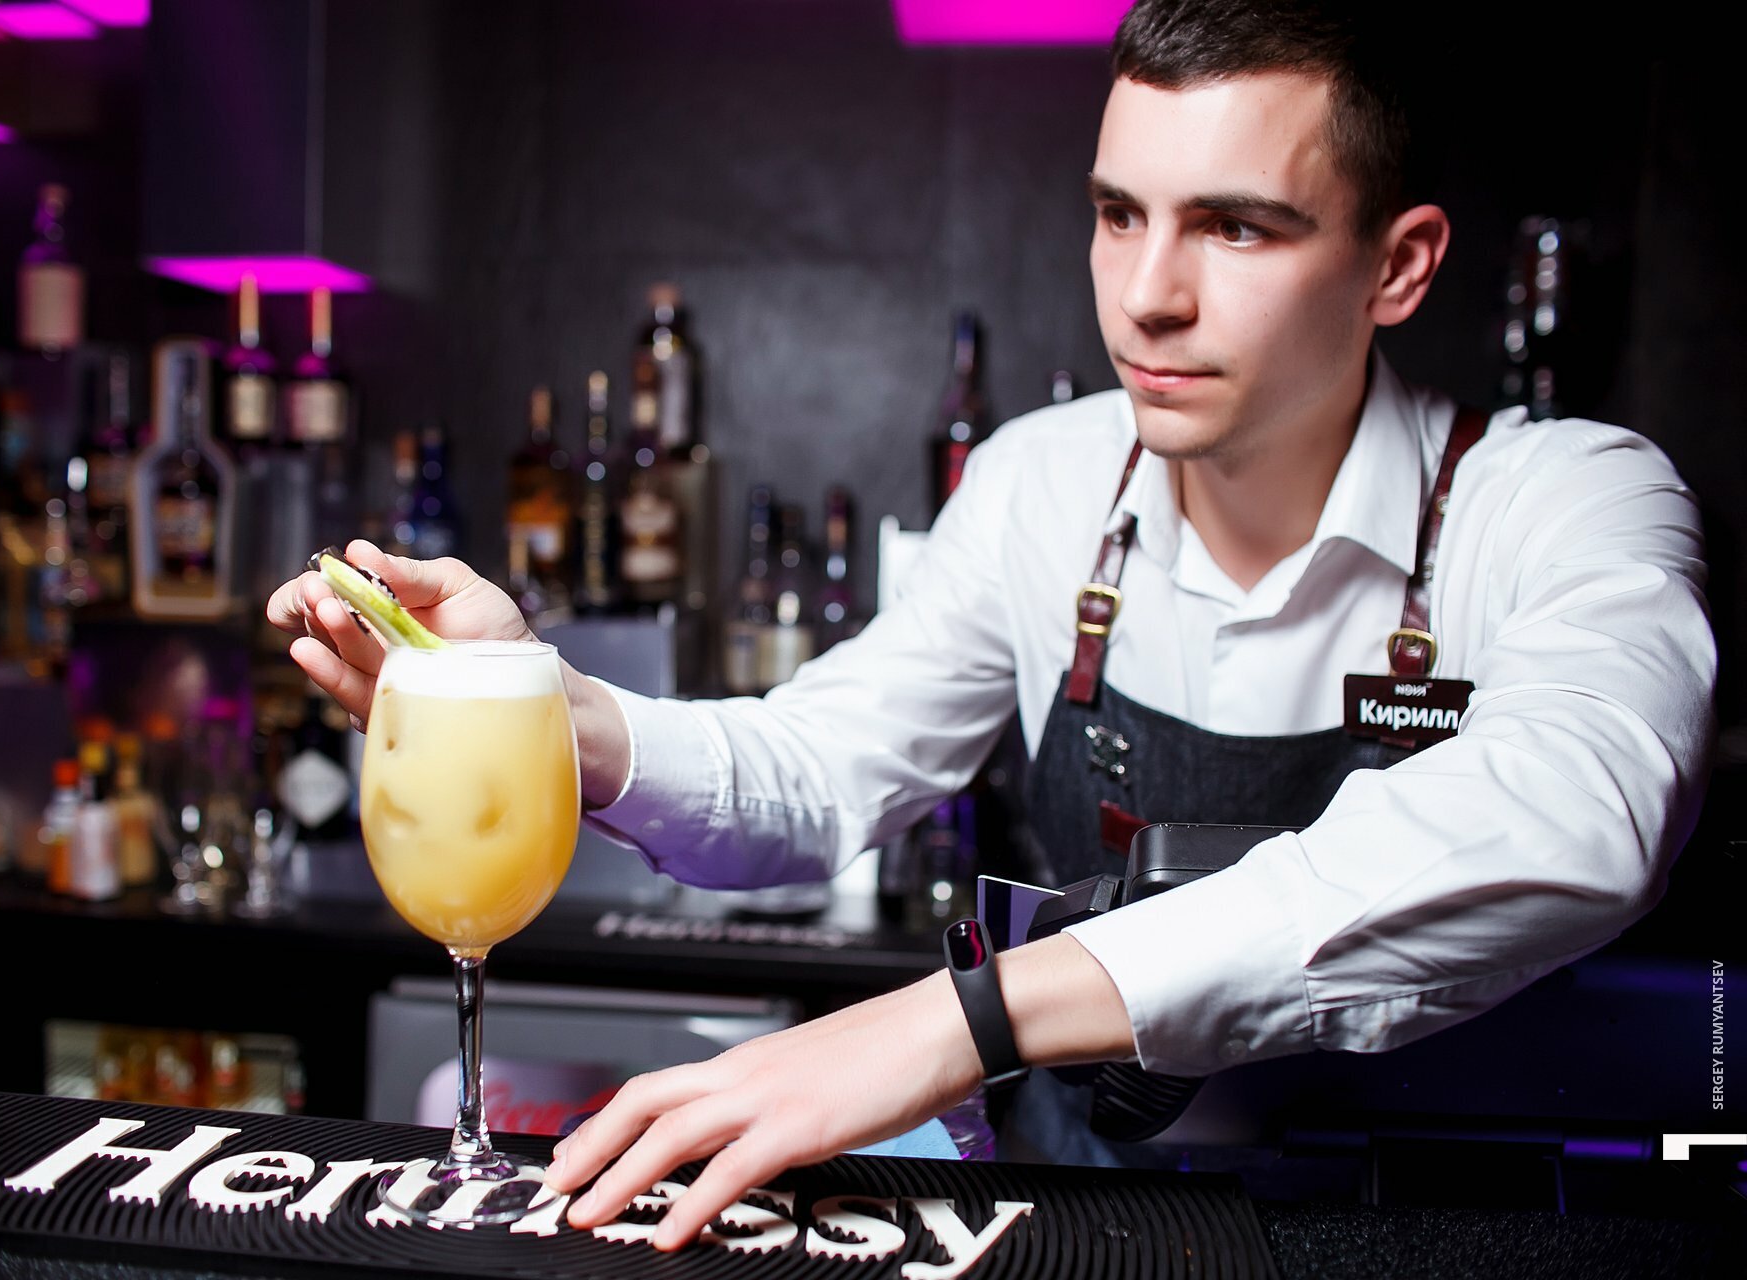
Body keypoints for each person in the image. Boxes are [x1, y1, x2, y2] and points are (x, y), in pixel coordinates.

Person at [269, 0, 1714, 1251]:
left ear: (1398, 266)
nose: (1147, 297)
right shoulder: (1043, 486)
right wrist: (535, 698)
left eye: (1235, 227)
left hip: (1430, 1234)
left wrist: (964, 1018)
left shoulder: (1565, 499)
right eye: (1119, 214)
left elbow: (1581, 806)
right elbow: (817, 769)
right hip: (1085, 1223)